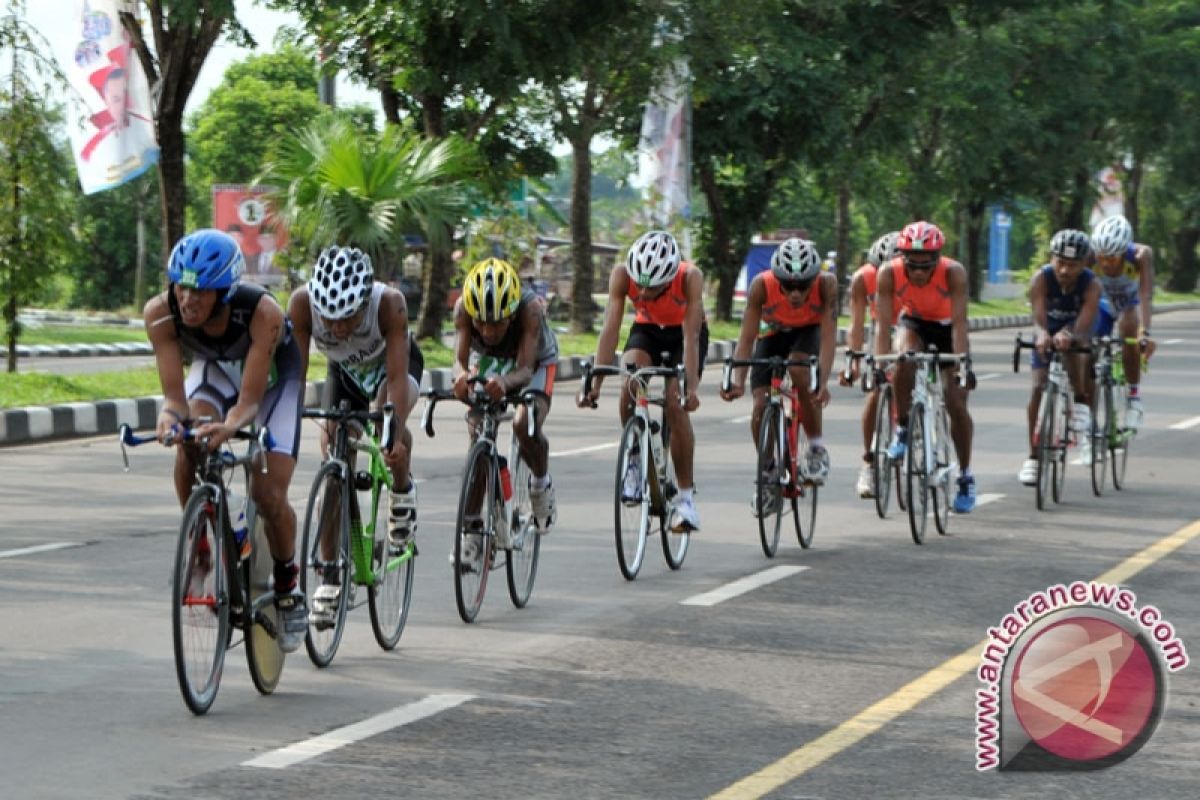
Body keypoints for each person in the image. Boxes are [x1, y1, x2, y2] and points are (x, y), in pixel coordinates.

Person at [143, 229, 308, 652]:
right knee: (190, 438)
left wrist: (230, 428)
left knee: (268, 492)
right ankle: (199, 539)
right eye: (181, 286)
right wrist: (169, 421)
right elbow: (175, 399)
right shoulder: (160, 313)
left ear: (225, 292)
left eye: (200, 291)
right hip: (216, 369)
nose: (187, 299)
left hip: (272, 381)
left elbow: (249, 403)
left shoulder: (262, 313)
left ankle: (289, 586)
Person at [287, 245, 423, 625]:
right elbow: (292, 378)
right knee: (335, 449)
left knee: (386, 420)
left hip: (391, 368)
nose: (338, 328)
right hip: (344, 373)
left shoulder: (389, 304)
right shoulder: (301, 305)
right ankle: (330, 574)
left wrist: (392, 429)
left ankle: (401, 490)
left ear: (364, 302)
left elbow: (396, 379)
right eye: (330, 319)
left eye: (347, 318)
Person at [579, 230, 708, 532]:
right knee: (630, 381)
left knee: (676, 405)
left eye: (656, 290)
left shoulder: (690, 278)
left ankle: (686, 501)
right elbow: (611, 329)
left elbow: (691, 339)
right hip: (647, 329)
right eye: (642, 288)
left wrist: (690, 389)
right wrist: (595, 384)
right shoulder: (622, 275)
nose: (646, 295)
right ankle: (635, 462)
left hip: (683, 334)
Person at [452, 258, 559, 561]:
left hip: (535, 362)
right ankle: (471, 530)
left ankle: (540, 484)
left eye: (496, 322)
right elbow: (458, 361)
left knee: (523, 423)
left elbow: (525, 370)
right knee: (478, 433)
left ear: (511, 315)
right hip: (491, 363)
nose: (487, 331)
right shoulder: (463, 308)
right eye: (480, 322)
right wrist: (460, 378)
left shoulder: (530, 310)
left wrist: (505, 381)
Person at [720, 238, 835, 513]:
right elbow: (747, 337)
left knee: (798, 370)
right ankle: (768, 471)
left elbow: (829, 338)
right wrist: (737, 380)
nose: (795, 294)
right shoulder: (761, 285)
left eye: (802, 286)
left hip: (808, 333)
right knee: (760, 403)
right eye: (788, 286)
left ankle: (816, 447)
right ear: (777, 279)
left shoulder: (826, 284)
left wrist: (823, 380)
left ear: (813, 280)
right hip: (773, 334)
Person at [874, 220, 978, 513]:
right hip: (915, 323)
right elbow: (883, 327)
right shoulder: (888, 273)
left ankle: (966, 476)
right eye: (913, 265)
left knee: (956, 404)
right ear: (901, 258)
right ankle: (904, 427)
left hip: (948, 330)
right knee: (904, 358)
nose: (919, 272)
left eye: (926, 266)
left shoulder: (953, 273)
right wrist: (881, 364)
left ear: (937, 260)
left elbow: (960, 325)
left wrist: (960, 366)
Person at [1019, 230, 1102, 483]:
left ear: (1084, 264)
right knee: (1038, 386)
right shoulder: (1041, 279)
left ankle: (1080, 399)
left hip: (1078, 328)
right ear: (1052, 258)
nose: (1065, 270)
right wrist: (1043, 334)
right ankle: (1033, 456)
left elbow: (1084, 323)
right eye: (1060, 262)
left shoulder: (1091, 284)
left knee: (1075, 352)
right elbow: (1038, 318)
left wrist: (1069, 333)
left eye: (1073, 265)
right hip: (1050, 325)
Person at [843, 231, 899, 498]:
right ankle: (869, 463)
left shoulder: (919, 274)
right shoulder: (862, 279)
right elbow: (856, 325)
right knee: (876, 391)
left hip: (915, 323)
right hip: (883, 328)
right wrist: (853, 360)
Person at [1089, 214, 1155, 430]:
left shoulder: (1139, 255)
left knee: (1130, 328)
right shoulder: (1090, 255)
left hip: (1128, 304)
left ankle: (1134, 397)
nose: (1106, 263)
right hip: (1103, 304)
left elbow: (1145, 295)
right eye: (1102, 257)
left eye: (1112, 258)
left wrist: (1145, 332)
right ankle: (1090, 422)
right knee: (1087, 349)